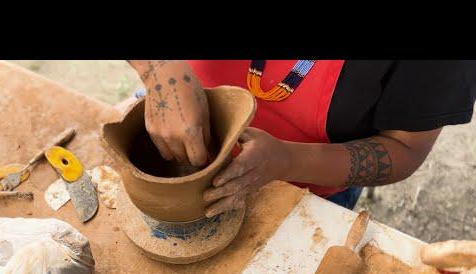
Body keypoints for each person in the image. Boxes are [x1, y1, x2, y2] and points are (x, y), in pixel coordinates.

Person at [125, 60, 476, 215]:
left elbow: (404, 149)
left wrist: (286, 160)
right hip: (174, 101)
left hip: (306, 178)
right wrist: (157, 70)